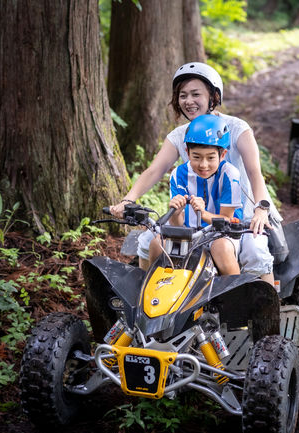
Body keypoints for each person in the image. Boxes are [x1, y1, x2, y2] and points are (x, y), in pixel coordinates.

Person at [109, 62, 277, 284]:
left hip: (241, 214)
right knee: (146, 240)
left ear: (213, 97)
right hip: (195, 216)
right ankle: (146, 301)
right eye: (182, 95)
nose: (188, 101)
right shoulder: (179, 136)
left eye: (195, 94)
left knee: (255, 252)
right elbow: (154, 170)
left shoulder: (237, 128)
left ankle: (268, 308)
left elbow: (255, 172)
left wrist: (261, 209)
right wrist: (128, 200)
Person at [148, 114, 242, 275]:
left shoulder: (230, 174)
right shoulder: (179, 174)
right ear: (187, 152)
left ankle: (236, 295)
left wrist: (204, 214)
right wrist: (176, 212)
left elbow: (226, 219)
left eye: (211, 157)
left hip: (222, 233)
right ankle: (152, 291)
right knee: (158, 244)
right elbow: (177, 225)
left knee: (221, 248)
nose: (203, 164)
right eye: (196, 157)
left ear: (223, 154)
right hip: (189, 232)